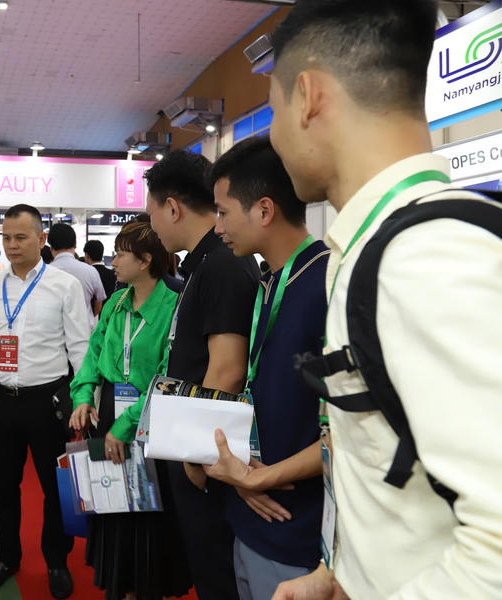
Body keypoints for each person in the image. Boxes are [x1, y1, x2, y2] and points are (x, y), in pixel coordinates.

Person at [266, 1, 502, 598]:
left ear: (307, 97)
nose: (273, 135)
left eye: (272, 110)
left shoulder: (425, 258)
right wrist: (341, 576)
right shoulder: (381, 249)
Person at [183, 136, 330, 600]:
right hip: (248, 515)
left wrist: (262, 477)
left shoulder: (329, 284)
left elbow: (352, 434)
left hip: (298, 533)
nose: (218, 227)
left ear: (264, 210)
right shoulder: (267, 282)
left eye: (224, 212)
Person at [145, 150, 259, 600]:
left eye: (152, 213)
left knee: (218, 574)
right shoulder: (203, 264)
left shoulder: (221, 265)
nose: (152, 226)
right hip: (202, 449)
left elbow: (227, 369)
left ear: (172, 207)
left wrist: (197, 454)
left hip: (210, 457)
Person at [0, 204, 92, 599]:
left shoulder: (64, 285)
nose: (12, 245)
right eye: (6, 237)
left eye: (20, 237)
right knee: (4, 487)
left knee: (54, 488)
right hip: (2, 400)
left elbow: (80, 347)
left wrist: (83, 399)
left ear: (41, 239)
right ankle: (6, 558)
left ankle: (56, 560)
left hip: (48, 401)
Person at [68, 220, 191, 600]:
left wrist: (125, 425)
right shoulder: (116, 302)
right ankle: (121, 589)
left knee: (149, 514)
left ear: (146, 260)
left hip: (149, 422)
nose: (114, 262)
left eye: (121, 254)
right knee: (113, 507)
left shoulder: (174, 305)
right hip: (109, 417)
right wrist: (82, 395)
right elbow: (93, 354)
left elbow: (167, 376)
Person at [48, 223, 106, 318]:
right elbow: (99, 302)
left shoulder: (45, 273)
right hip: (85, 325)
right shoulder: (90, 271)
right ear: (75, 244)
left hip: (53, 326)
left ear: (51, 248)